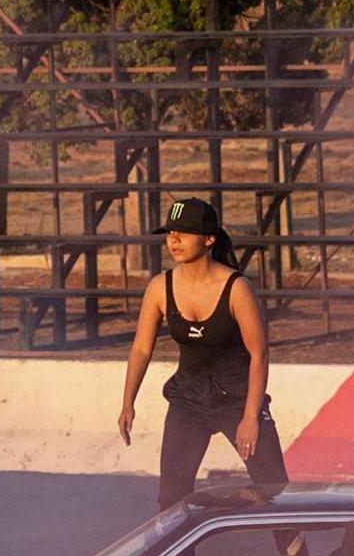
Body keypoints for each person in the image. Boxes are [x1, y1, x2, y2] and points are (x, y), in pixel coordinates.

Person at [119, 197, 290, 530]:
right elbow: (141, 348)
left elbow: (259, 353)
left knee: (275, 492)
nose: (174, 240)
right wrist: (128, 402)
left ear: (209, 238)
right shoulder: (160, 287)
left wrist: (251, 417)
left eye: (185, 233)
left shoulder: (237, 288)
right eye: (170, 233)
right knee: (171, 496)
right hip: (189, 399)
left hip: (238, 398)